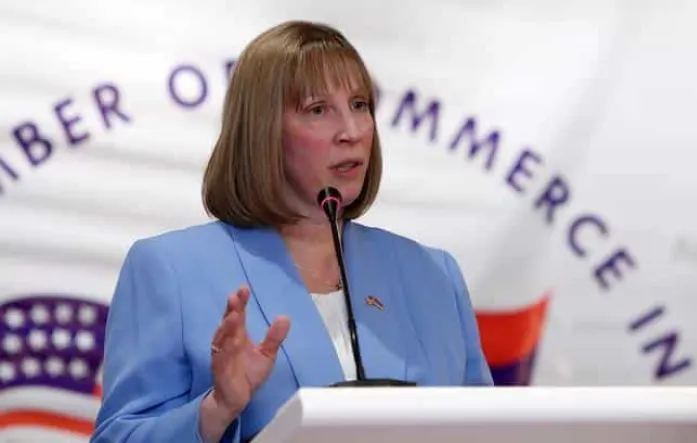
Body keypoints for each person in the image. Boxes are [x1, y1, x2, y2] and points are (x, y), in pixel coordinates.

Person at [90, 20, 493, 443]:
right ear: (263, 131)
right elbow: (119, 436)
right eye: (318, 110)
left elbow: (490, 428)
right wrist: (216, 410)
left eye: (359, 105)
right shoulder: (170, 269)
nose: (352, 132)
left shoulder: (433, 274)